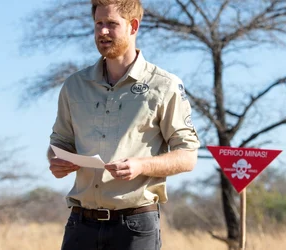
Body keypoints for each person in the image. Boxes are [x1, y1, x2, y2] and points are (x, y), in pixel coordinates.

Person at [47, 0, 200, 249]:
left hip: (135, 226)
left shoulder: (165, 85)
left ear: (133, 26)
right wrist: (57, 162)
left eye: (111, 24)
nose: (103, 31)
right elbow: (60, 142)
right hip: (80, 224)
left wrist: (142, 166)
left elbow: (188, 156)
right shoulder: (74, 86)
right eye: (98, 24)